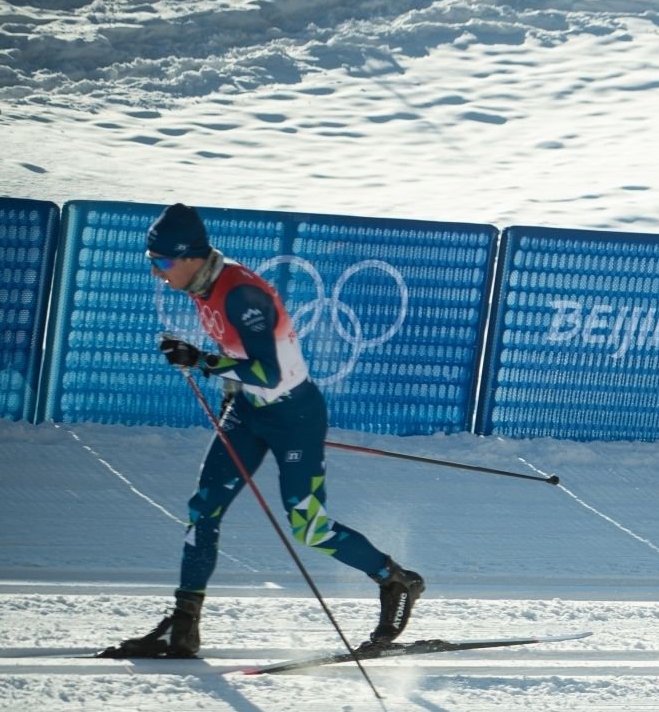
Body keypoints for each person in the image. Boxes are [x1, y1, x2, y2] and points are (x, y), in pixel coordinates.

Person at [98, 203, 424, 660]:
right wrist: (208, 366)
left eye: (164, 262)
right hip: (247, 412)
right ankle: (184, 626)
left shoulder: (241, 294)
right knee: (203, 508)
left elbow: (269, 372)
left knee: (308, 527)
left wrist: (203, 361)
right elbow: (239, 358)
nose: (157, 272)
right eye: (152, 262)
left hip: (294, 416)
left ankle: (395, 579)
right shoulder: (199, 282)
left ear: (192, 255)